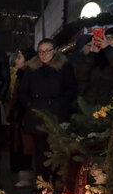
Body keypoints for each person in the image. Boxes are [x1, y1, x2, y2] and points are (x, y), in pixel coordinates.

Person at [19, 38, 77, 183]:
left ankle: (56, 183)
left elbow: (71, 89)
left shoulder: (64, 66)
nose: (44, 55)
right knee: (40, 152)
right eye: (40, 52)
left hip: (57, 115)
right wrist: (30, 105)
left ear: (54, 51)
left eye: (47, 51)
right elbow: (23, 91)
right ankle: (42, 183)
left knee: (57, 151)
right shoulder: (32, 68)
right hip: (37, 116)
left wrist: (59, 104)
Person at [77, 27, 113, 106]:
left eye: (112, 38)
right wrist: (92, 54)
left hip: (112, 107)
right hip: (90, 106)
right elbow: (81, 76)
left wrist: (108, 48)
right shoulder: (98, 57)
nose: (108, 40)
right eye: (106, 37)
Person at [6, 48, 37, 187]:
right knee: (20, 145)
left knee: (26, 146)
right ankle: (22, 174)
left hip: (26, 116)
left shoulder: (29, 75)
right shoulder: (19, 74)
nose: (16, 61)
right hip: (19, 116)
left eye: (20, 58)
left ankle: (26, 175)